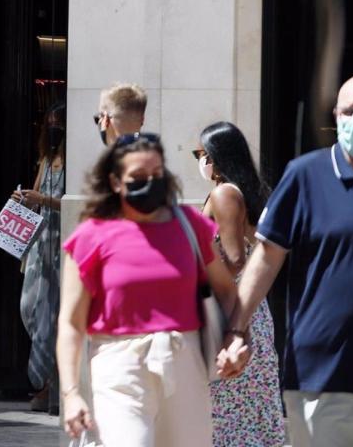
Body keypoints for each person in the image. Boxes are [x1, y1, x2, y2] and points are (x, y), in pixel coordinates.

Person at [57, 133, 239, 447]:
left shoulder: (189, 225)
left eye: (157, 175)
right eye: (138, 177)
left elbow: (226, 289)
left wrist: (236, 336)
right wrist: (71, 393)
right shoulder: (91, 236)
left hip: (185, 360)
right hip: (118, 365)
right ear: (115, 182)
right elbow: (71, 323)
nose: (150, 183)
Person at [218, 74, 353, 446]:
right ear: (335, 116)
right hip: (322, 370)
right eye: (348, 112)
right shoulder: (306, 176)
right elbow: (266, 258)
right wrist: (237, 329)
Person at [193, 122, 284, 446]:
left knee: (229, 409)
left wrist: (198, 258)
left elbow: (234, 260)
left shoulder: (225, 194)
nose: (200, 161)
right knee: (247, 409)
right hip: (249, 312)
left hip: (231, 313)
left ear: (217, 157)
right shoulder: (243, 191)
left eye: (201, 153)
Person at [12, 102, 66, 414]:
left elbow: (75, 205)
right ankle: (47, 378)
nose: (53, 128)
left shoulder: (73, 161)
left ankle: (51, 388)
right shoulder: (46, 159)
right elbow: (34, 197)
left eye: (58, 123)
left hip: (63, 242)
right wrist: (23, 199)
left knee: (54, 316)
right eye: (49, 123)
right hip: (41, 242)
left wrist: (44, 200)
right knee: (29, 308)